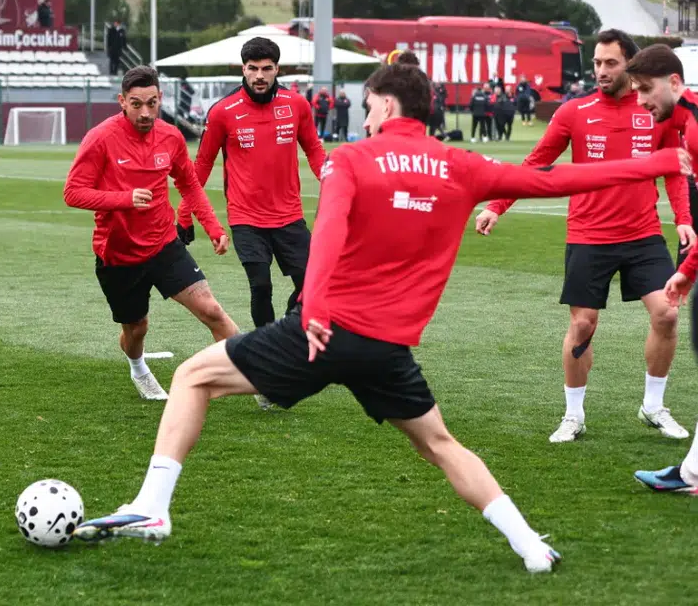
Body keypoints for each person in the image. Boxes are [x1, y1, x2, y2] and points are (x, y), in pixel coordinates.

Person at [73, 51, 693, 574]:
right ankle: (530, 547)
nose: (365, 115)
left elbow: (332, 232)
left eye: (369, 106)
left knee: (192, 376)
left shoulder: (350, 160)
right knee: (441, 445)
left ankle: (153, 505)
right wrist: (664, 162)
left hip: (322, 330)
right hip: (387, 350)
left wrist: (313, 307)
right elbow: (559, 183)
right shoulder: (462, 165)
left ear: (389, 107)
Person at [475, 30, 694, 444]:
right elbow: (535, 164)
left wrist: (683, 217)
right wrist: (496, 205)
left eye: (610, 63)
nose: (600, 71)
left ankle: (653, 405)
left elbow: (672, 169)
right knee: (582, 326)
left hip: (643, 234)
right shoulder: (574, 112)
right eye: (596, 63)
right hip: (589, 235)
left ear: (632, 66)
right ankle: (574, 415)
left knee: (667, 313)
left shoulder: (655, 111)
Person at [64, 65, 238, 400]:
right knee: (136, 328)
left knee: (212, 311)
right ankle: (138, 369)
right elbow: (72, 192)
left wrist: (213, 227)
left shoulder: (170, 137)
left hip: (164, 244)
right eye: (136, 104)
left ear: (160, 99)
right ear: (122, 102)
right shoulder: (100, 138)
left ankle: (257, 378)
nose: (146, 112)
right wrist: (124, 200)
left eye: (152, 103)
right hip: (118, 253)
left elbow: (189, 184)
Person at [179, 37, 324, 333]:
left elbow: (314, 150)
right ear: (243, 69)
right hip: (247, 219)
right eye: (253, 68)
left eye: (266, 68)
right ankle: (267, 352)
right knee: (261, 287)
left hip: (289, 216)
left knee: (313, 286)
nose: (260, 76)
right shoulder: (223, 112)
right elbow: (201, 165)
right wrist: (184, 213)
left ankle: (282, 332)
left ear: (277, 70)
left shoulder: (297, 105)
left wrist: (335, 183)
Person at [626, 45, 698, 493]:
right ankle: (691, 473)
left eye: (646, 90)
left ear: (675, 83)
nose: (640, 101)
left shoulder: (694, 130)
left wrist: (688, 268)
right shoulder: (683, 125)